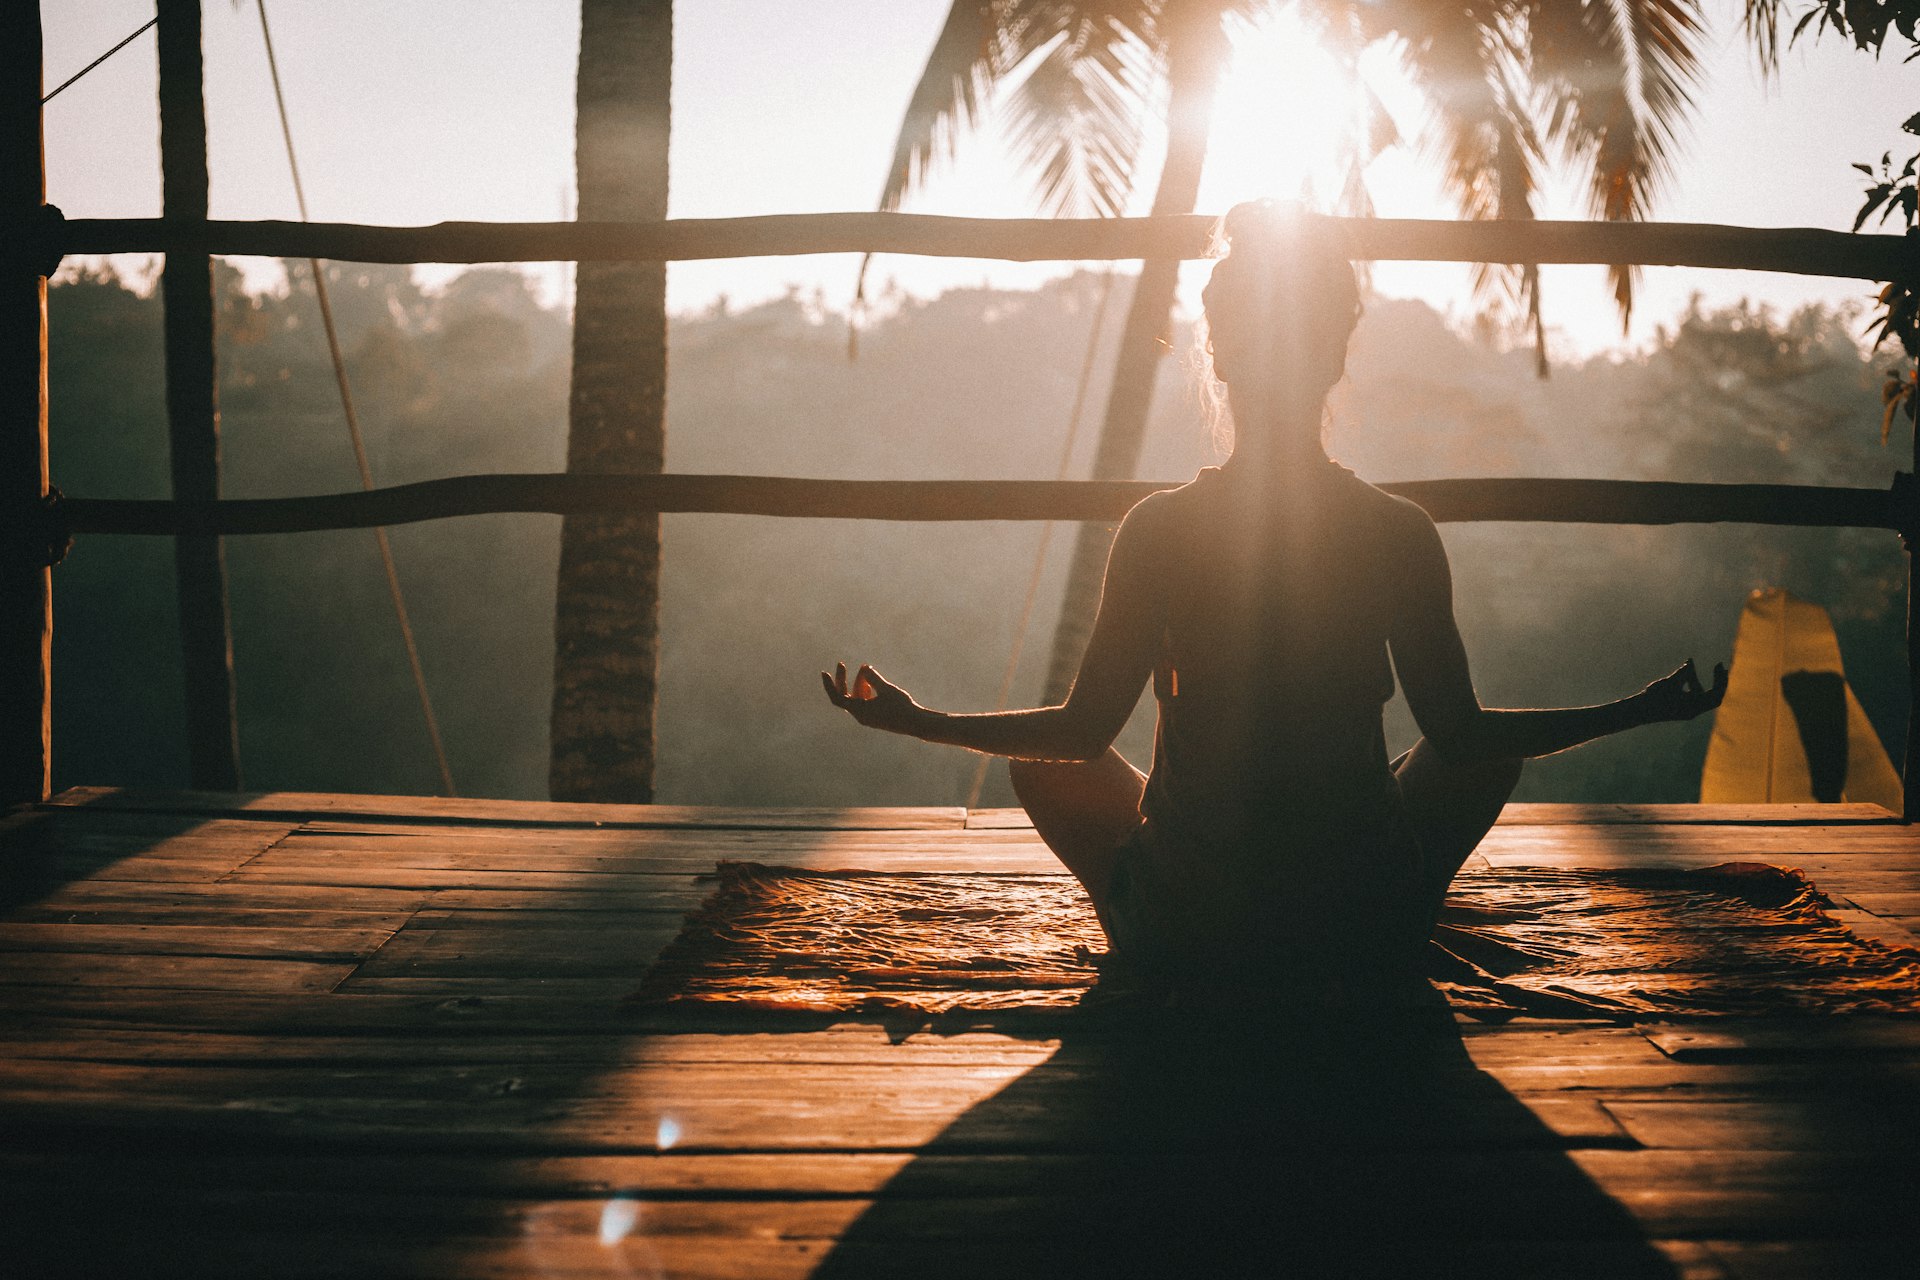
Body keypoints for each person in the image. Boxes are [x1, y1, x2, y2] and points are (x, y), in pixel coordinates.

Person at [823, 200, 1726, 992]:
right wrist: (1639, 709)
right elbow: (1464, 737)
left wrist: (919, 719)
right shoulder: (1395, 531)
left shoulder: (1161, 528)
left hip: (1193, 929)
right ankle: (1395, 914)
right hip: (1355, 924)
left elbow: (1079, 734)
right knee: (1480, 754)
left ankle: (1148, 930)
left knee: (1044, 764)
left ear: (1219, 358)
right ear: (1335, 359)